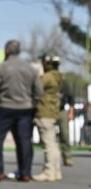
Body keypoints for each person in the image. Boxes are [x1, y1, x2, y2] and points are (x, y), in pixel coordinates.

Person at [0, 40, 42, 181]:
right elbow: (39, 91)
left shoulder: (2, 68)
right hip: (26, 109)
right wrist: (33, 104)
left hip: (5, 108)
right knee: (24, 141)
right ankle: (25, 173)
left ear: (6, 51)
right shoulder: (30, 68)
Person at [33, 53, 63, 181]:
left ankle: (49, 172)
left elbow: (35, 87)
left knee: (48, 145)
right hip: (52, 112)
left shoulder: (47, 77)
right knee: (53, 144)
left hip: (45, 112)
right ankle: (56, 171)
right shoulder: (57, 76)